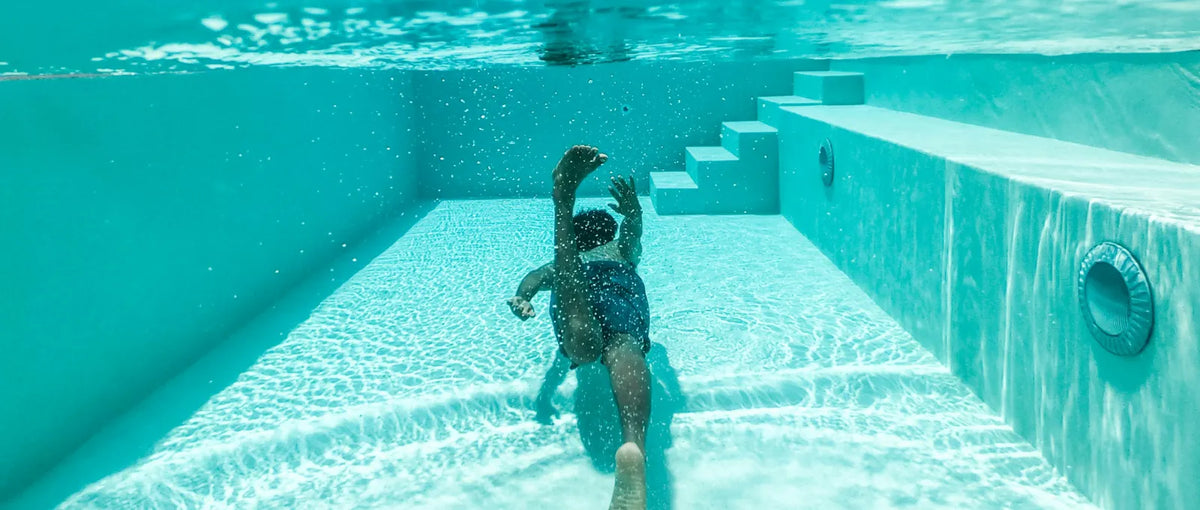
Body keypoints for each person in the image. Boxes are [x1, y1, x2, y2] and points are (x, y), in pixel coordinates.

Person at [506, 145, 650, 510]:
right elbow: (633, 234)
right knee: (625, 347)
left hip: (577, 291)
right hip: (620, 290)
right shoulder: (619, 251)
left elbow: (534, 277)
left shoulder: (568, 262)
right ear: (608, 232)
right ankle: (634, 445)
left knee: (581, 338)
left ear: (578, 236)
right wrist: (634, 212)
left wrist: (524, 296)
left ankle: (562, 203)